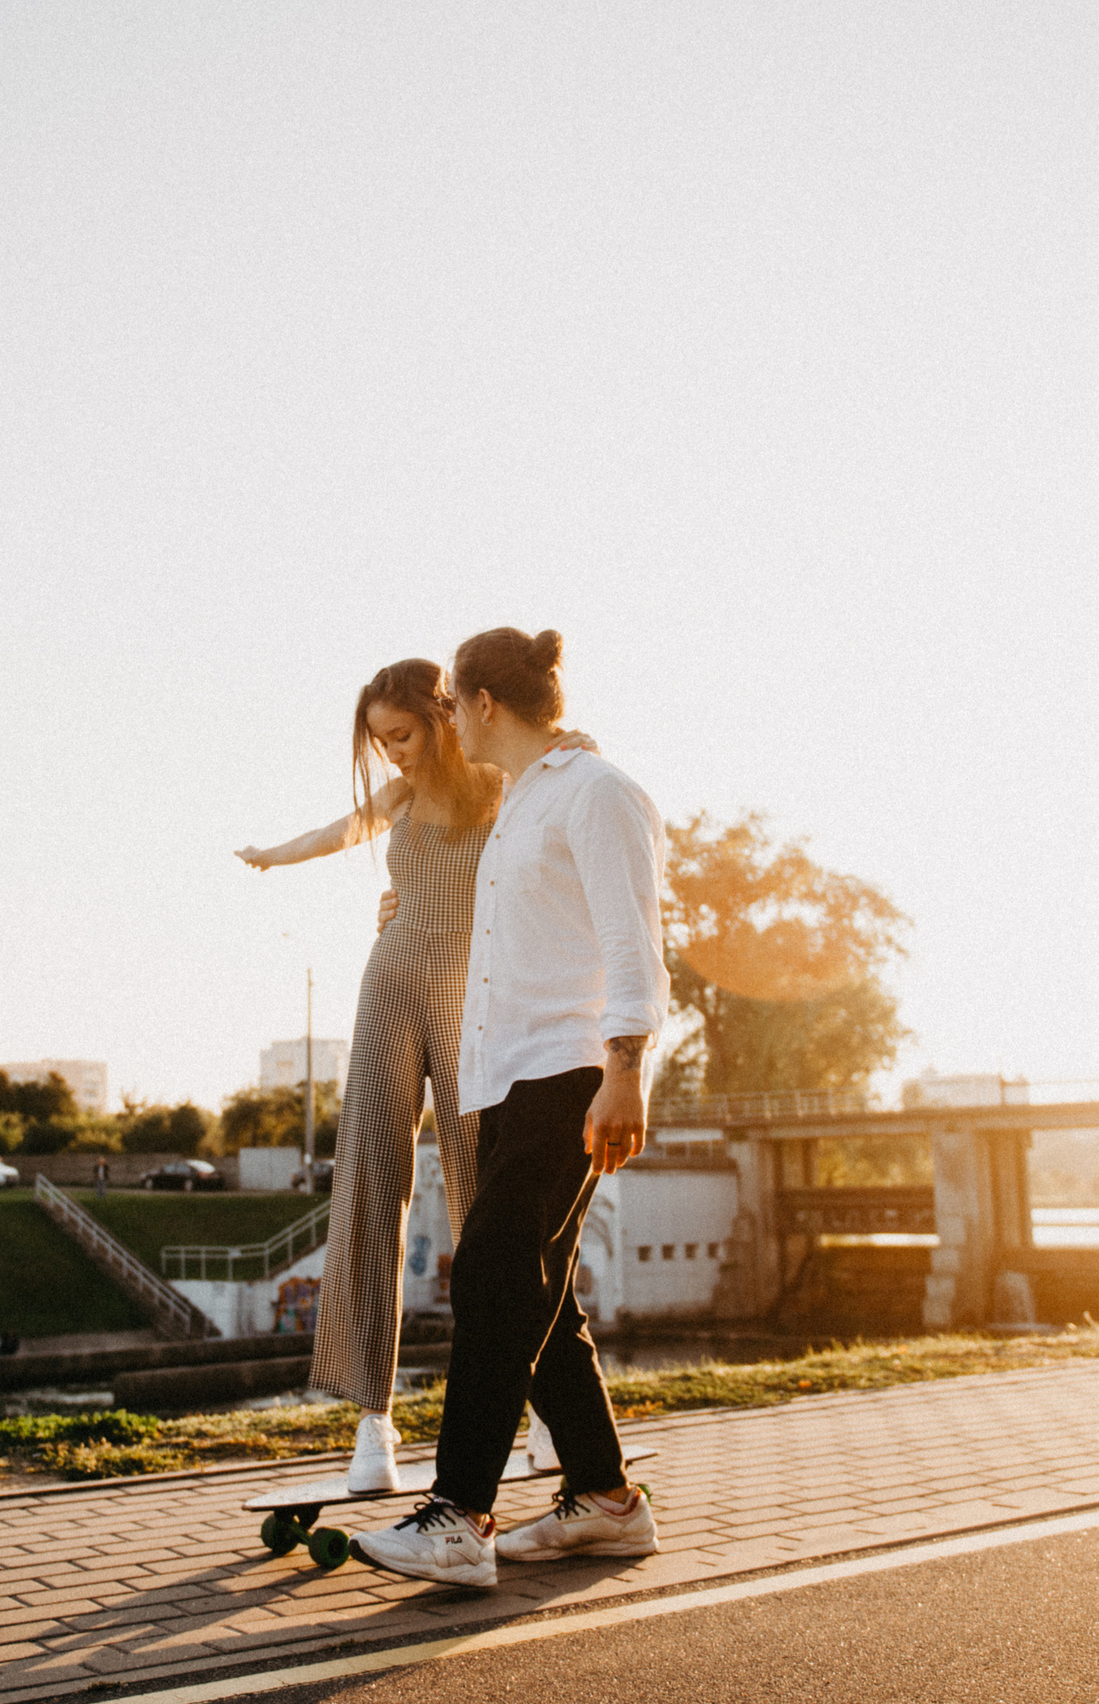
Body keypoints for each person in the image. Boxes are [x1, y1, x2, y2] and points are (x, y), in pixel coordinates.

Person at [352, 627, 667, 1589]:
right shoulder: (522, 802)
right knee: (539, 1292)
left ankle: (459, 1515)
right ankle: (608, 1503)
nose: (443, 717)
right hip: (507, 1080)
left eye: (450, 701)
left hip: (569, 1071)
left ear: (487, 702)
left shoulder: (596, 792)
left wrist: (626, 1067)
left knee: (492, 1272)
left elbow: (634, 940)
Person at [236, 660, 594, 1493]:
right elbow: (333, 835)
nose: (391, 754)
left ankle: (539, 1409)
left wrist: (578, 741)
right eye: (378, 741)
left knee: (491, 1202)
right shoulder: (397, 799)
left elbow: (561, 784)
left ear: (444, 715)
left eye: (400, 734)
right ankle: (373, 1421)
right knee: (369, 1176)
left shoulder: (507, 786)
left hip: (480, 1003)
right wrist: (268, 857)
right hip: (392, 983)